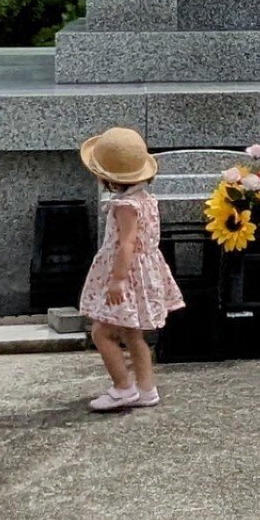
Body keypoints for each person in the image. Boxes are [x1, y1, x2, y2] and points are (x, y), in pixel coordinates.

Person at [75, 126, 182, 416]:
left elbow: (127, 243)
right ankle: (146, 389)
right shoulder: (146, 199)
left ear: (107, 177)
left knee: (101, 332)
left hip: (127, 274)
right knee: (133, 334)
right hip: (144, 273)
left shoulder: (125, 205)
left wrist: (118, 280)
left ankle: (123, 387)